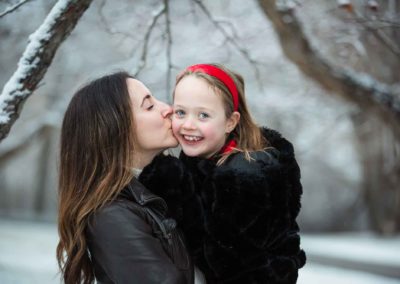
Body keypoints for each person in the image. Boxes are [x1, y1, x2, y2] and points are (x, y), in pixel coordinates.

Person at [148, 63, 306, 283]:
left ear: (230, 122)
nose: (188, 125)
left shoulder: (246, 176)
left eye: (203, 115)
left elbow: (222, 261)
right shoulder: (200, 160)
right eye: (181, 112)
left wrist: (173, 186)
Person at [56, 71, 194, 284]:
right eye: (149, 106)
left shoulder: (164, 192)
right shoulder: (111, 216)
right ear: (115, 129)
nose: (168, 109)